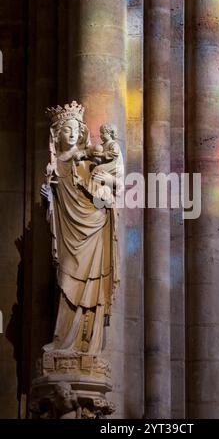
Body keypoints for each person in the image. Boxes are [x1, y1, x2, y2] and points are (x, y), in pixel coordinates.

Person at [40, 101, 120, 355]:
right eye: (66, 130)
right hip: (68, 235)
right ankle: (64, 340)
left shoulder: (87, 163)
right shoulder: (53, 169)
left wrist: (107, 185)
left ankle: (88, 344)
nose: (72, 134)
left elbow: (104, 196)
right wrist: (49, 197)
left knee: (91, 285)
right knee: (65, 281)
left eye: (76, 128)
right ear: (56, 135)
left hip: (93, 230)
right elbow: (54, 207)